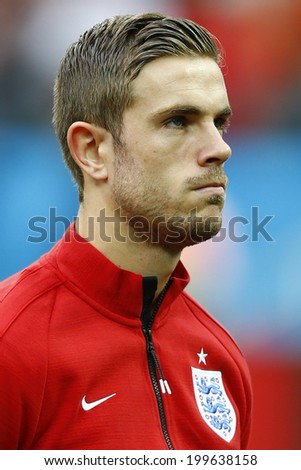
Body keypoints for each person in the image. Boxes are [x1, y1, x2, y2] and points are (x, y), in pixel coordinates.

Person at [0, 12, 252, 450]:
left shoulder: (222, 359)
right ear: (93, 150)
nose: (220, 148)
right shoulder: (11, 345)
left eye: (219, 122)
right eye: (178, 121)